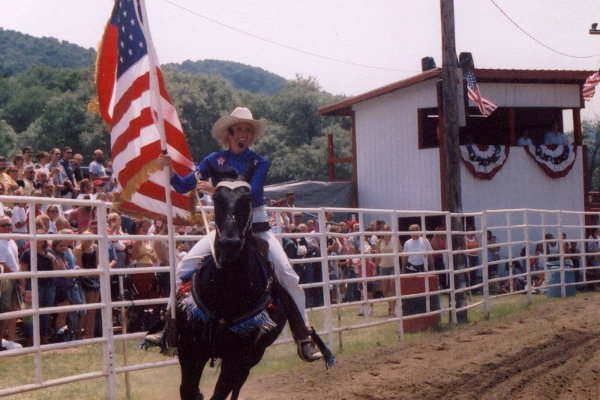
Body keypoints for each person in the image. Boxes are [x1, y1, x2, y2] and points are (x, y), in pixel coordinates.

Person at [150, 106, 322, 362]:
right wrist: (170, 170)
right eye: (239, 129)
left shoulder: (259, 162)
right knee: (183, 266)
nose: (243, 134)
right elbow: (184, 185)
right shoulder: (212, 160)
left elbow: (250, 191)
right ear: (229, 133)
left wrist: (214, 187)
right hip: (224, 230)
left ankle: (303, 335)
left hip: (256, 227)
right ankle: (169, 327)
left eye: (248, 130)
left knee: (288, 276)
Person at [0, 215, 21, 343]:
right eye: (4, 225)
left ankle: (11, 339)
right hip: (6, 279)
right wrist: (15, 274)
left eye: (9, 225)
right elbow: (1, 264)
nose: (8, 227)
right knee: (4, 310)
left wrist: (20, 278)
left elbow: (16, 261)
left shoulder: (12, 241)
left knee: (13, 309)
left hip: (14, 278)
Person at [375, 224, 402, 316]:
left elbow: (400, 252)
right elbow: (377, 256)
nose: (386, 230)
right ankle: (390, 305)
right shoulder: (379, 242)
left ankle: (393, 309)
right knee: (385, 289)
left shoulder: (395, 240)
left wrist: (401, 267)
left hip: (393, 266)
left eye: (387, 229)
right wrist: (375, 268)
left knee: (392, 287)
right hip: (383, 267)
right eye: (384, 229)